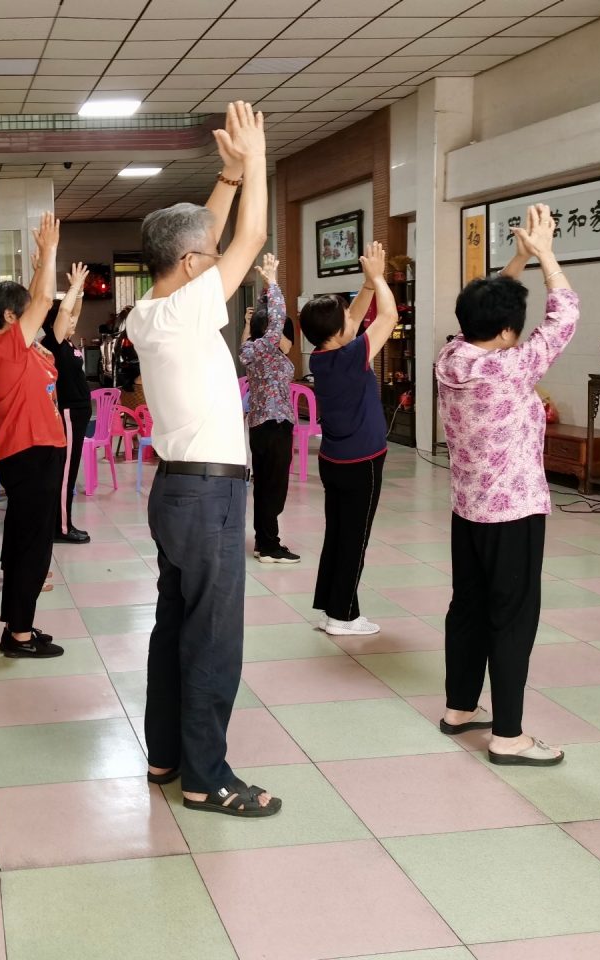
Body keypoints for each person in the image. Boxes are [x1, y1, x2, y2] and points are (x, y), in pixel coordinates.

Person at [129, 101, 280, 818]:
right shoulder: (190, 308)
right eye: (209, 257)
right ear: (191, 265)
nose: (222, 262)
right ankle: (207, 777)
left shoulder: (148, 309)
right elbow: (249, 232)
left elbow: (217, 235)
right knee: (214, 638)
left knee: (174, 628)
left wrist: (223, 176)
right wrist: (257, 163)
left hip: (175, 492)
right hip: (210, 497)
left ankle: (165, 755)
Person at [436, 203, 573, 768]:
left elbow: (486, 311)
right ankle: (510, 736)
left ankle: (461, 708)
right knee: (513, 617)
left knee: (467, 606)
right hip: (513, 513)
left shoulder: (453, 355)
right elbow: (563, 317)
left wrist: (515, 262)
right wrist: (546, 257)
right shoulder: (514, 366)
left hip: (467, 511)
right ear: (509, 330)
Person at [0, 212, 68, 659]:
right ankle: (19, 635)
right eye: (27, 311)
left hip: (39, 453)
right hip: (29, 455)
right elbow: (45, 299)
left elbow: (42, 299)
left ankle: (18, 625)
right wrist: (48, 252)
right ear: (11, 317)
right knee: (32, 545)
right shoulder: (4, 347)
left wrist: (38, 264)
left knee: (25, 541)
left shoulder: (22, 348)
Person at [300, 241, 398, 638]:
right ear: (337, 332)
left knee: (338, 535)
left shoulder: (321, 356)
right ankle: (343, 617)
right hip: (362, 463)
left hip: (335, 461)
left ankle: (335, 609)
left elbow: (354, 320)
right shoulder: (350, 356)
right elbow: (388, 317)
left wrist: (368, 286)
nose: (350, 319)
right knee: (355, 540)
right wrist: (378, 279)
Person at [239, 252, 299, 564]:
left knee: (264, 486)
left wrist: (253, 318)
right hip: (275, 426)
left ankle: (265, 542)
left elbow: (263, 325)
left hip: (259, 426)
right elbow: (276, 319)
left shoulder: (250, 349)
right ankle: (269, 545)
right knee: (274, 489)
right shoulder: (266, 348)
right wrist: (273, 283)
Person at [41, 262, 92, 544]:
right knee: (66, 475)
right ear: (56, 323)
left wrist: (80, 293)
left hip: (78, 414)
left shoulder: (68, 343)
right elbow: (64, 312)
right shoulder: (54, 342)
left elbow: (71, 312)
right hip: (69, 414)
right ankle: (61, 528)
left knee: (70, 472)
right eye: (68, 318)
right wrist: (72, 288)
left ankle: (62, 522)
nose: (73, 319)